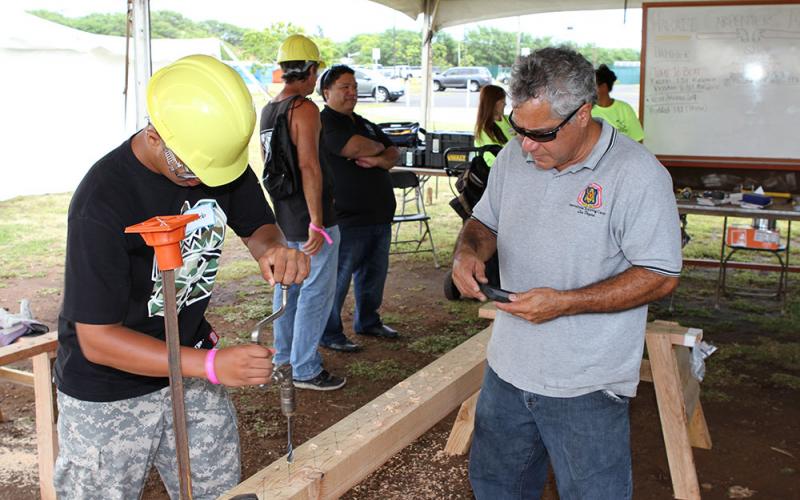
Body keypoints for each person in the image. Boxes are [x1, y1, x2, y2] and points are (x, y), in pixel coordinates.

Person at [53, 55, 310, 499]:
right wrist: (211, 365)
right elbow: (97, 338)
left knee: (218, 491)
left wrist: (273, 250)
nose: (200, 180)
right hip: (109, 392)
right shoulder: (103, 199)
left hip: (190, 369)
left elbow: (257, 226)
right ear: (155, 134)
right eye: (188, 169)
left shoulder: (210, 160)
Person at [452, 47, 682, 499]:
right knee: (497, 488)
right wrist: (468, 252)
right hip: (507, 369)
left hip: (587, 384)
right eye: (519, 129)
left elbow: (660, 274)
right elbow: (483, 223)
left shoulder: (637, 175)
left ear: (583, 113)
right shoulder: (514, 157)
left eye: (541, 134)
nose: (527, 146)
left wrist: (565, 303)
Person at [259, 34, 345, 390]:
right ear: (310, 71)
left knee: (287, 289)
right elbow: (309, 166)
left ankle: (284, 360)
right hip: (310, 217)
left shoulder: (269, 108)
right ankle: (306, 367)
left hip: (283, 215)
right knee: (314, 290)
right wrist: (317, 222)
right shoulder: (304, 108)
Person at [316, 65, 401, 353]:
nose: (352, 92)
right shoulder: (325, 122)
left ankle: (368, 321)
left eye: (353, 86)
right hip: (347, 218)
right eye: (344, 87)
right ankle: (329, 332)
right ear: (326, 92)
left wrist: (377, 157)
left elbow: (393, 153)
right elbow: (352, 148)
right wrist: (378, 148)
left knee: (373, 275)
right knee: (337, 280)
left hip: (379, 215)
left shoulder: (363, 121)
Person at [592, 63, 644, 142]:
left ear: (604, 87)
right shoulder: (587, 110)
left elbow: (638, 139)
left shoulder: (625, 109)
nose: (589, 89)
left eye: (592, 86)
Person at [473, 84, 514, 167]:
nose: (505, 104)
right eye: (502, 101)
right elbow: (493, 158)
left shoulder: (510, 120)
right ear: (493, 103)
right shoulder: (483, 129)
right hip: (497, 172)